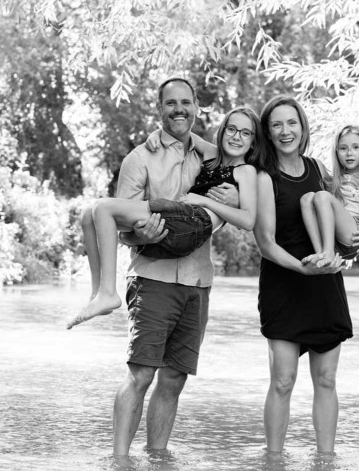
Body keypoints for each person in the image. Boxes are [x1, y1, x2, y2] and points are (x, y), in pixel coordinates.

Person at [107, 77, 239, 457]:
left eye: (185, 102)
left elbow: (233, 207)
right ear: (159, 108)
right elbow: (122, 229)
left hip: (198, 281)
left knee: (175, 377)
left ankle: (157, 461)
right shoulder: (139, 159)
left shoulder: (216, 158)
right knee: (142, 374)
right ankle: (119, 463)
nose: (178, 109)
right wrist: (142, 235)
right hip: (152, 279)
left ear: (197, 106)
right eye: (170, 103)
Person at [67, 106, 261, 329]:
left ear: (254, 141)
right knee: (88, 215)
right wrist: (155, 135)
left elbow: (248, 221)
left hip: (195, 220)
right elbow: (182, 134)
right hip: (183, 216)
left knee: (102, 208)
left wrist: (206, 201)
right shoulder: (212, 153)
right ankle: (98, 292)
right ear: (223, 130)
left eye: (246, 133)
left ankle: (109, 293)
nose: (237, 137)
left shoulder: (246, 171)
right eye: (232, 129)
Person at [253, 95, 355, 455]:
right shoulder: (264, 178)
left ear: (303, 127)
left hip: (324, 287)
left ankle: (325, 463)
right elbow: (265, 243)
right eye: (277, 124)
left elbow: (342, 223)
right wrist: (302, 268)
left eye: (292, 123)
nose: (285, 131)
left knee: (326, 380)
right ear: (267, 131)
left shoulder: (317, 170)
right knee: (283, 381)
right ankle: (274, 464)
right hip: (285, 286)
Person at [299, 124, 359, 267]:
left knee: (322, 196)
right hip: (335, 237)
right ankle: (321, 253)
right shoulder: (333, 179)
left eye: (356, 147)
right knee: (306, 198)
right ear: (336, 151)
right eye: (343, 148)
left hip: (356, 233)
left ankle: (328, 252)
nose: (349, 153)